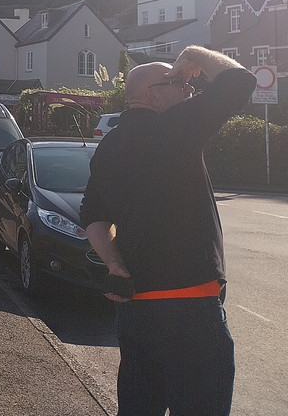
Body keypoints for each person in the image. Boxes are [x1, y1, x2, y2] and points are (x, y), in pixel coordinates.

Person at [80, 45, 256, 416]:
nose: (189, 87)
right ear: (153, 95)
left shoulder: (108, 147)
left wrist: (114, 263)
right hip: (190, 310)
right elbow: (239, 81)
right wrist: (194, 54)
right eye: (179, 82)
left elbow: (92, 215)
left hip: (135, 311)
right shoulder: (174, 129)